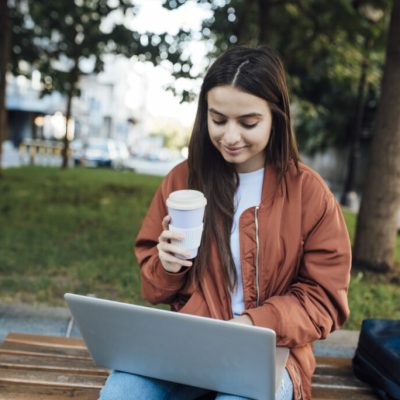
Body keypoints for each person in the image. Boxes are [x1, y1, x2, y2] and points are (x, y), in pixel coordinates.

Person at [100, 46, 351, 400]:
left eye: (248, 123)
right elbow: (153, 289)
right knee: (122, 392)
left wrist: (253, 324)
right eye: (218, 120)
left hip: (271, 351)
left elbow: (324, 299)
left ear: (275, 118)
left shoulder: (308, 193)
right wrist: (167, 266)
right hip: (190, 343)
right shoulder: (183, 179)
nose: (230, 137)